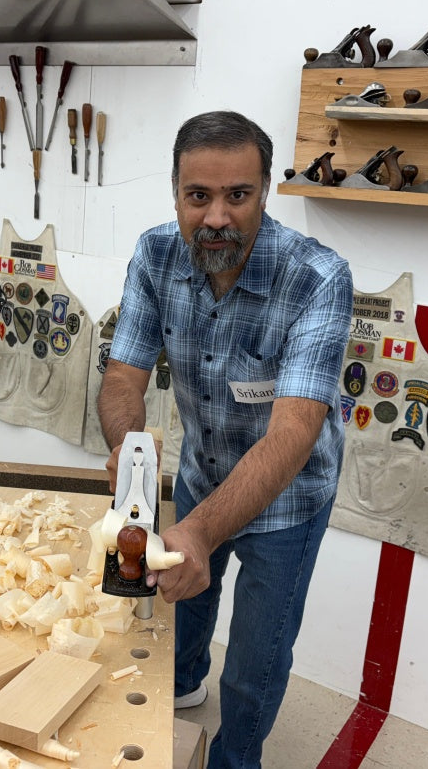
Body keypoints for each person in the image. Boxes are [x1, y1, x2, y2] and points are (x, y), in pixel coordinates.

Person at [98, 111, 352, 768]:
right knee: (182, 609)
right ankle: (180, 691)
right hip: (203, 468)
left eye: (237, 196)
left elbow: (295, 431)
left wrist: (201, 533)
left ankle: (235, 758)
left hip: (289, 499)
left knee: (253, 662)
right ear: (176, 193)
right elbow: (123, 377)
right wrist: (131, 461)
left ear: (265, 192)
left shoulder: (318, 277)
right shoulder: (155, 254)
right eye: (198, 196)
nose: (216, 218)